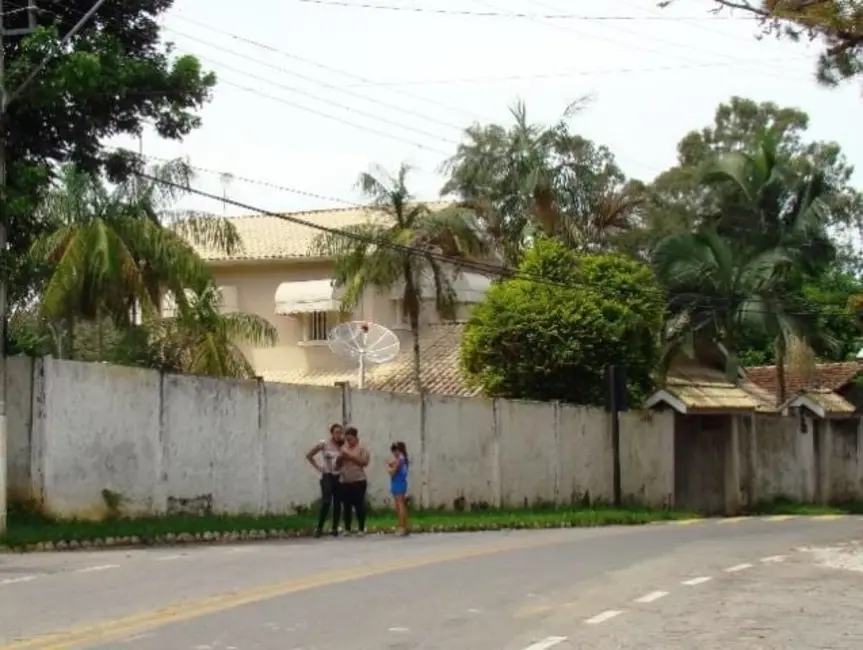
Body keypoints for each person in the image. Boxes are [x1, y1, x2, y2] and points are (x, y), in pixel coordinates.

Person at [306, 423, 344, 538]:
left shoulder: (342, 445)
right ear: (332, 433)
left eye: (340, 433)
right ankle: (319, 527)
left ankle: (334, 528)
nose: (338, 435)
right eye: (336, 432)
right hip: (327, 475)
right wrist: (318, 467)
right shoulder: (324, 444)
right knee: (326, 501)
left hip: (338, 476)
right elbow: (309, 455)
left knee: (337, 502)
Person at [339, 426, 370, 536]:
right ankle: (347, 528)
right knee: (346, 505)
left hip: (358, 480)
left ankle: (361, 528)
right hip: (345, 481)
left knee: (359, 505)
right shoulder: (343, 448)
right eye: (347, 439)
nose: (349, 442)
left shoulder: (362, 448)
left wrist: (350, 457)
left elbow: (364, 462)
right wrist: (340, 458)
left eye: (351, 439)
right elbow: (338, 464)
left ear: (356, 438)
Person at [387, 441, 410, 536]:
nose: (395, 453)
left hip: (398, 482)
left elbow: (393, 472)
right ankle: (403, 525)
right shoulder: (403, 459)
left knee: (400, 505)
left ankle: (402, 526)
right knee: (399, 504)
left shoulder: (400, 459)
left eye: (396, 450)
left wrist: (388, 469)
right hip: (399, 481)